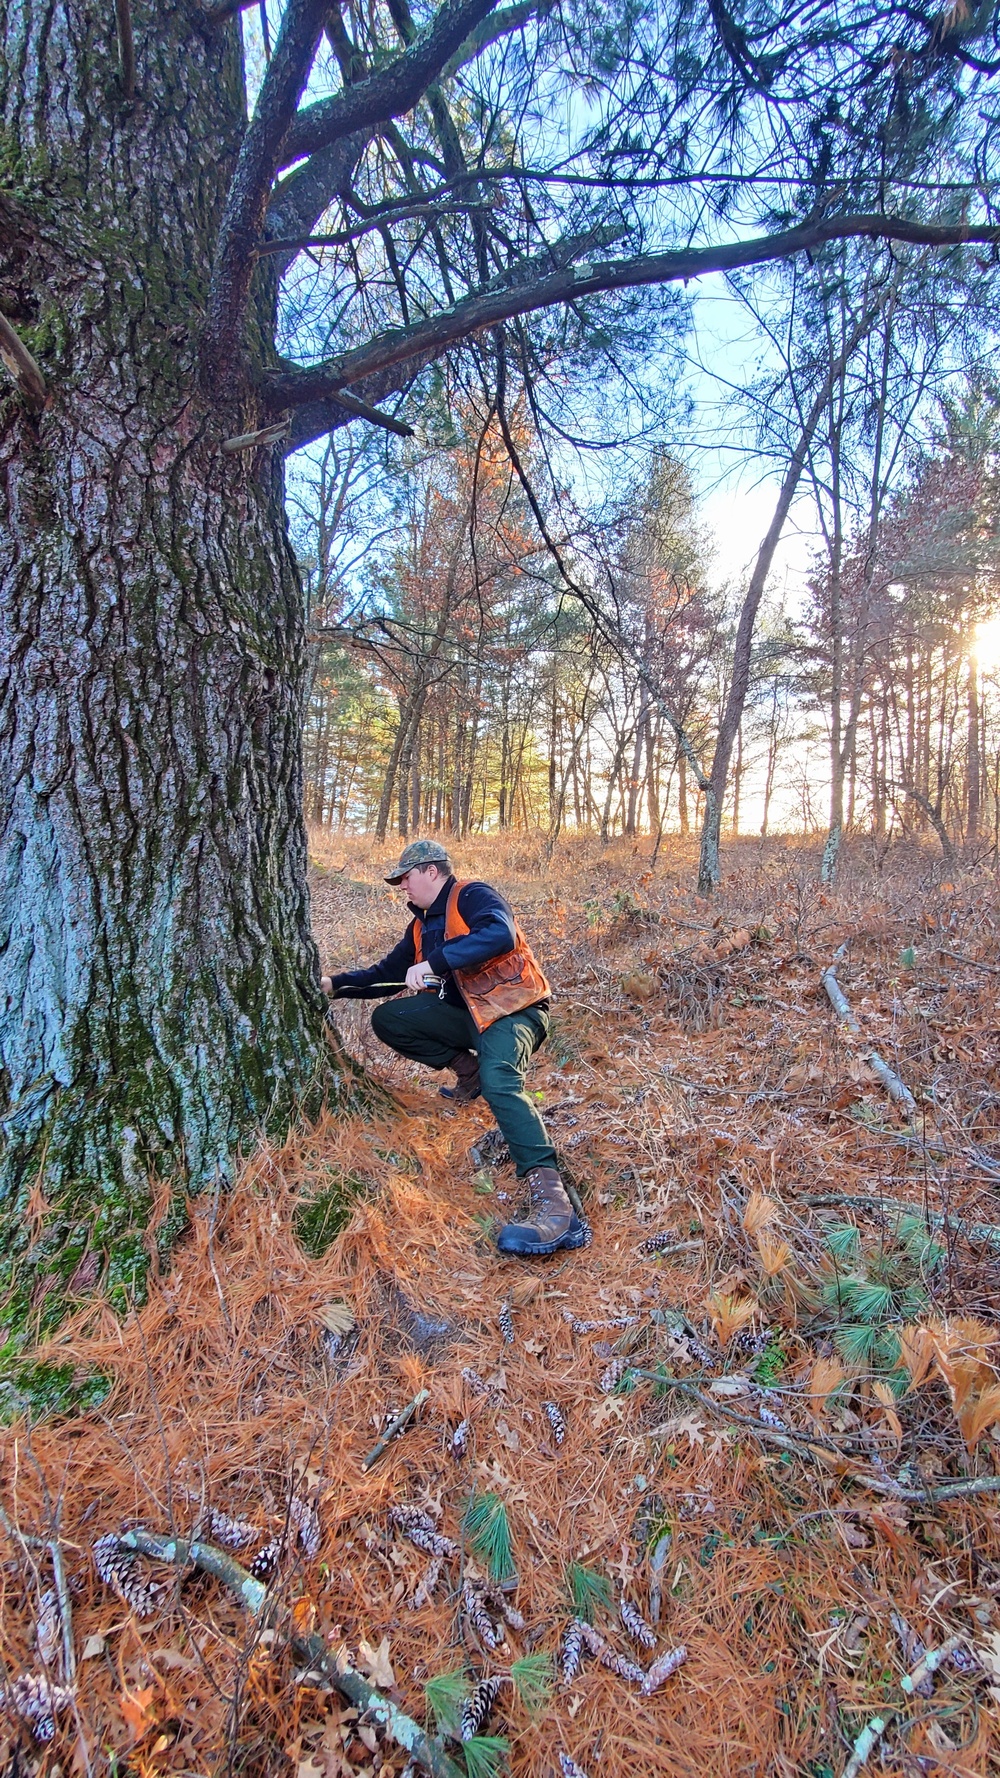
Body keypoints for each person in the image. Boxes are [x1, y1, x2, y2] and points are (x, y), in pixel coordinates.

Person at [321, 839, 585, 1258]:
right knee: (390, 1018)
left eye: (405, 878)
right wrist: (335, 985)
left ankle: (555, 1205)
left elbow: (499, 932)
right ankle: (469, 1071)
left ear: (431, 871)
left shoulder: (473, 895)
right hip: (467, 1018)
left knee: (502, 1082)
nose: (402, 887)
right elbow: (388, 973)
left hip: (512, 1010)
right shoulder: (420, 926)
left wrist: (435, 963)